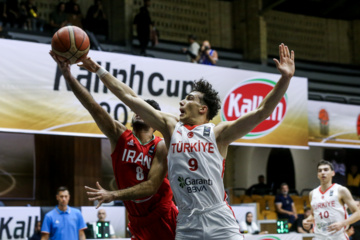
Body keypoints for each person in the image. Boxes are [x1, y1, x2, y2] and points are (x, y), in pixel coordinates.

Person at [79, 43, 295, 240]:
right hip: (187, 222)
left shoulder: (218, 133)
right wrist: (99, 70)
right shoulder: (171, 127)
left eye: (190, 98)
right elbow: (131, 98)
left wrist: (284, 79)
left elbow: (261, 112)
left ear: (203, 109)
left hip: (218, 219)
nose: (182, 101)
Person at [49, 51, 178, 240]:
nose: (139, 112)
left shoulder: (161, 146)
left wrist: (113, 195)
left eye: (147, 111)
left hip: (163, 217)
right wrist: (68, 76)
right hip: (137, 221)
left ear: (155, 121)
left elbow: (151, 186)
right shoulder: (120, 137)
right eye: (137, 109)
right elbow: (92, 106)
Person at [303, 160, 360, 240]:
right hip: (319, 237)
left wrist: (342, 223)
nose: (323, 172)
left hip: (337, 237)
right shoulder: (312, 194)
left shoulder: (341, 190)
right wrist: (307, 220)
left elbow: (358, 213)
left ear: (333, 173)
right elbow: (313, 215)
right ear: (317, 175)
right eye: (320, 170)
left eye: (326, 170)